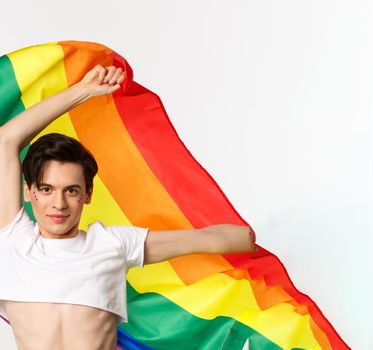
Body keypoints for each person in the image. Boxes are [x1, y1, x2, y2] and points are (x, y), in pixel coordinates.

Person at [0, 65, 257, 349]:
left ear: (87, 194)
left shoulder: (112, 244)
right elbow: (5, 141)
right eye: (47, 190)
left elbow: (209, 239)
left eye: (71, 191)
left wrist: (249, 239)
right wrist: (82, 92)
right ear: (29, 191)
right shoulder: (14, 241)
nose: (58, 204)